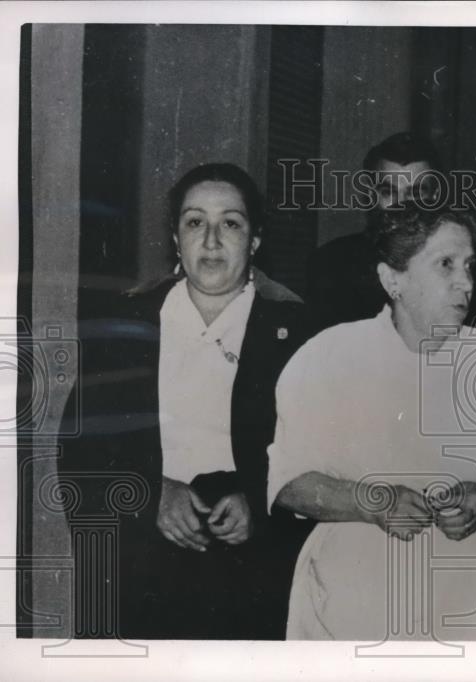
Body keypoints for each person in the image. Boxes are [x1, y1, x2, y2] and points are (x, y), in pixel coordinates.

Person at [268, 204, 476, 641]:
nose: (465, 282)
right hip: (351, 606)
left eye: (469, 265)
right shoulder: (328, 356)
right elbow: (288, 482)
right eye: (445, 264)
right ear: (393, 280)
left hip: (471, 607)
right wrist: (369, 501)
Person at [57, 163, 315, 639]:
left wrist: (257, 503)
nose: (212, 241)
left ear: (255, 240)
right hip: (143, 564)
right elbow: (80, 447)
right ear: (176, 239)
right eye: (195, 222)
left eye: (231, 223)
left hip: (255, 572)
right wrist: (152, 492)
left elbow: (320, 451)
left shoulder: (298, 333)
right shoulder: (127, 324)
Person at [305, 131, 476, 329]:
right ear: (370, 197)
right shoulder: (332, 267)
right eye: (388, 192)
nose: (401, 205)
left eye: (415, 193)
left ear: (435, 196)